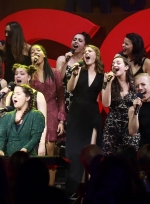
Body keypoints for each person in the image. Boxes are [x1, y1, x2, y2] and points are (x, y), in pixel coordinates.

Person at [65, 45, 105, 195]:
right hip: (76, 112)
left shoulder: (102, 75)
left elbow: (105, 100)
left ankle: (91, 188)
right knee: (75, 151)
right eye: (85, 52)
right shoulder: (79, 70)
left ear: (96, 55)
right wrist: (74, 75)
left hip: (91, 112)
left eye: (90, 51)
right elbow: (70, 89)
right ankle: (73, 189)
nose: (87, 53)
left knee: (91, 150)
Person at [30, 44, 65, 185]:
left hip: (51, 111)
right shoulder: (29, 73)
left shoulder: (54, 73)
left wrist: (61, 120)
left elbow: (61, 97)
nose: (35, 53)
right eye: (32, 52)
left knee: (50, 150)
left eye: (38, 50)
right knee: (35, 150)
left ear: (44, 54)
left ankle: (50, 187)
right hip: (34, 112)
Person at [1, 64, 47, 154]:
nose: (18, 76)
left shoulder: (38, 95)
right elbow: (3, 117)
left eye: (22, 74)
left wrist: (42, 144)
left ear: (29, 77)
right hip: (12, 141)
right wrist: (3, 99)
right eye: (16, 74)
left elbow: (43, 123)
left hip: (31, 141)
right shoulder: (10, 95)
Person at [101, 53, 140, 154]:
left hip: (129, 124)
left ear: (126, 67)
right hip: (112, 125)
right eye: (113, 63)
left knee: (129, 157)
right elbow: (106, 104)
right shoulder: (107, 81)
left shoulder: (134, 84)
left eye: (118, 63)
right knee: (110, 157)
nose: (114, 65)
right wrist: (108, 83)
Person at [0, 84, 46, 156]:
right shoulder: (6, 116)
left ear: (27, 98)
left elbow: (35, 137)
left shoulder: (36, 115)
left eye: (18, 94)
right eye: (14, 94)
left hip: (28, 157)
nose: (14, 96)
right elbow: (0, 136)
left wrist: (25, 150)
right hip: (9, 158)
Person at [56, 32, 91, 116]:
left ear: (85, 46)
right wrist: (66, 61)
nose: (76, 42)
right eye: (74, 39)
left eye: (80, 40)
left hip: (80, 102)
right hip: (64, 100)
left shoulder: (87, 63)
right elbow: (58, 79)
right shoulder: (62, 59)